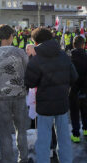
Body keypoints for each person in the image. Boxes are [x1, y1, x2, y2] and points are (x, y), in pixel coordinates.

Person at [25, 28, 78, 163]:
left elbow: (30, 82)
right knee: (64, 138)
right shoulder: (64, 55)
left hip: (44, 106)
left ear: (35, 42)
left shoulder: (37, 59)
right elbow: (74, 77)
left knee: (43, 139)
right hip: (62, 103)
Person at [0, 25, 29, 163]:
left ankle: (7, 160)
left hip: (1, 98)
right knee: (21, 130)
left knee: (4, 133)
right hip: (20, 96)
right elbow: (28, 73)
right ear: (11, 36)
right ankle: (23, 159)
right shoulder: (20, 52)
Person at [69, 36, 87, 143]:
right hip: (85, 88)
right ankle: (86, 129)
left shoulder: (69, 57)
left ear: (74, 44)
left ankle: (76, 134)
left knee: (74, 112)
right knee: (84, 110)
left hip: (73, 89)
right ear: (83, 45)